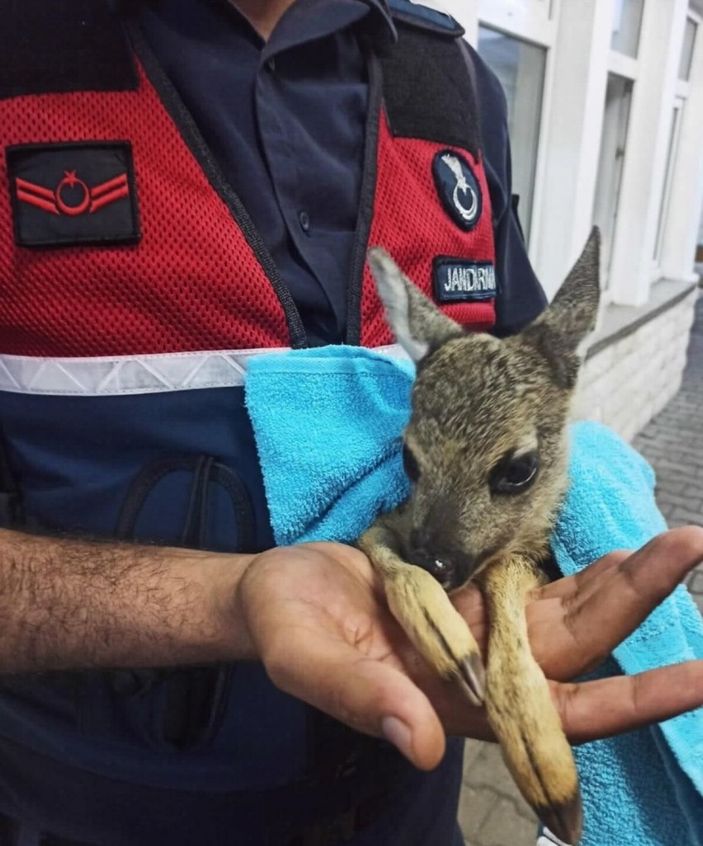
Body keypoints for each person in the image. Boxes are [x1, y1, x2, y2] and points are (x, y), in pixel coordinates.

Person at [0, 1, 702, 844]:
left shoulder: (446, 81)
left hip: (407, 791)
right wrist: (223, 604)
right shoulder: (24, 56)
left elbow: (519, 397)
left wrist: (508, 604)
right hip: (111, 807)